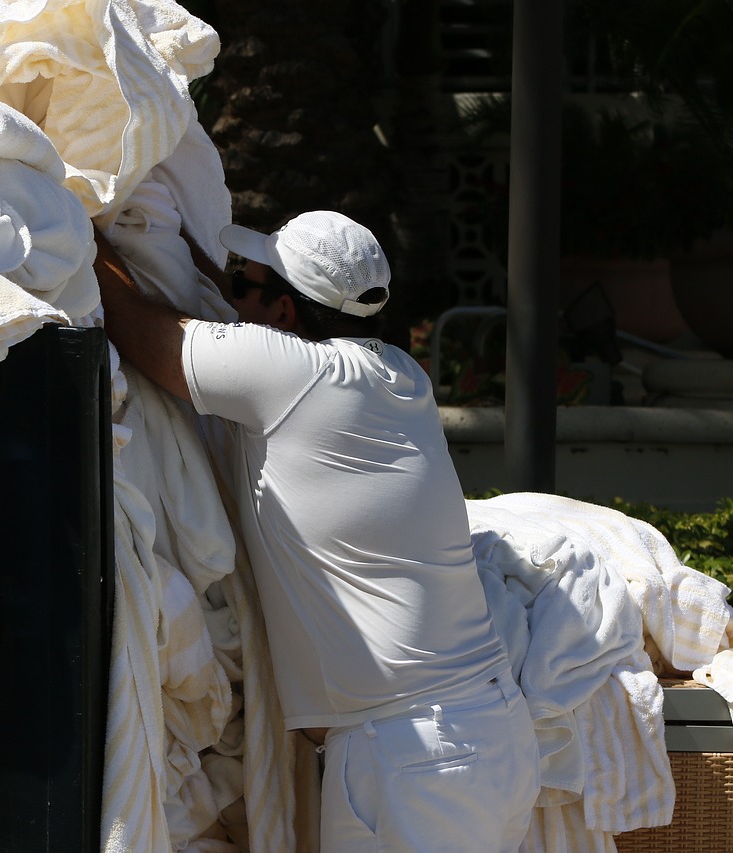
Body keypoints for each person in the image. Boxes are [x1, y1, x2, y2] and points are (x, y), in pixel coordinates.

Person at [92, 211, 540, 852]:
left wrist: (81, 222)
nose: (226, 298)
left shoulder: (294, 376)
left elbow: (136, 325)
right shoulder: (397, 374)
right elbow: (244, 314)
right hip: (447, 743)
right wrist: (206, 260)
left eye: (243, 288)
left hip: (419, 757)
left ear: (281, 313)